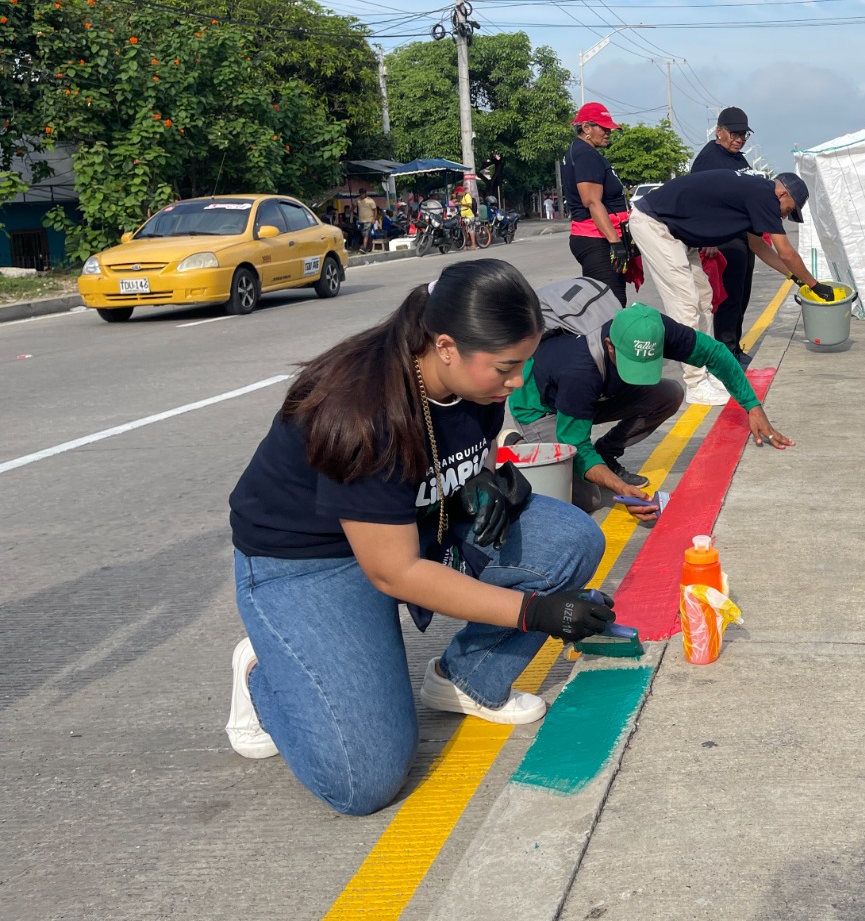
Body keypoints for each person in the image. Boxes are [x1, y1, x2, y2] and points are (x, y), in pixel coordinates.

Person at [224, 260, 615, 816]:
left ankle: (466, 681)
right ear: (447, 346)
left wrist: (486, 485)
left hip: (411, 522)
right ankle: (269, 668)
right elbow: (396, 571)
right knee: (364, 781)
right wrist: (537, 613)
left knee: (570, 539)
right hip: (310, 561)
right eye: (506, 368)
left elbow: (445, 464)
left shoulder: (472, 384)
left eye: (524, 364)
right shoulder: (362, 409)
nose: (518, 383)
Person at [506, 294, 791, 512]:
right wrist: (620, 487)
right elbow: (578, 445)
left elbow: (716, 354)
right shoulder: (579, 371)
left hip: (593, 394)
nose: (638, 374)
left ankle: (606, 451)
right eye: (629, 363)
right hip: (542, 407)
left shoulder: (655, 329)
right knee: (585, 500)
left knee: (668, 394)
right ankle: (517, 444)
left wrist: (752, 406)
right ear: (609, 345)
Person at [631, 169, 833, 406]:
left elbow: (758, 246)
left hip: (679, 234)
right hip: (655, 225)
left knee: (704, 299)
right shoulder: (765, 197)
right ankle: (695, 384)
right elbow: (785, 252)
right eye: (789, 210)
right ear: (782, 193)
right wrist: (814, 284)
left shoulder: (756, 194)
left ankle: (708, 369)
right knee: (685, 303)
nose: (786, 216)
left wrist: (796, 279)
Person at [690, 106, 764, 365]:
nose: (739, 139)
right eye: (734, 134)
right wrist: (705, 237)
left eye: (744, 134)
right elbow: (696, 199)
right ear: (718, 131)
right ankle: (725, 353)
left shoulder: (737, 159)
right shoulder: (709, 159)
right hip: (722, 236)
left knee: (742, 295)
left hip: (742, 235)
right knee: (729, 298)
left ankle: (734, 346)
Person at [562, 102, 631, 305]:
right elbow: (592, 201)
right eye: (603, 127)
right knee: (612, 305)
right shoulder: (585, 154)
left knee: (607, 302)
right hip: (596, 239)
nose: (608, 132)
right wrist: (615, 243)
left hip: (595, 238)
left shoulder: (582, 151)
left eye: (609, 127)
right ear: (586, 128)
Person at [355, 188, 381, 253]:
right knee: (365, 234)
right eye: (360, 194)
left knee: (366, 233)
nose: (361, 195)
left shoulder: (370, 201)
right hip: (361, 220)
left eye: (363, 194)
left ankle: (364, 247)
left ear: (365, 193)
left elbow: (375, 210)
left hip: (369, 219)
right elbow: (353, 206)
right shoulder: (357, 200)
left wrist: (374, 219)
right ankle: (370, 247)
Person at [458, 185, 479, 250]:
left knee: (470, 230)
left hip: (469, 216)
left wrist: (461, 204)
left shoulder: (467, 196)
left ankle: (473, 245)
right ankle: (468, 244)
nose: (458, 194)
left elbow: (470, 204)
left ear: (461, 192)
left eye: (458, 192)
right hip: (464, 216)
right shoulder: (462, 197)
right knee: (466, 231)